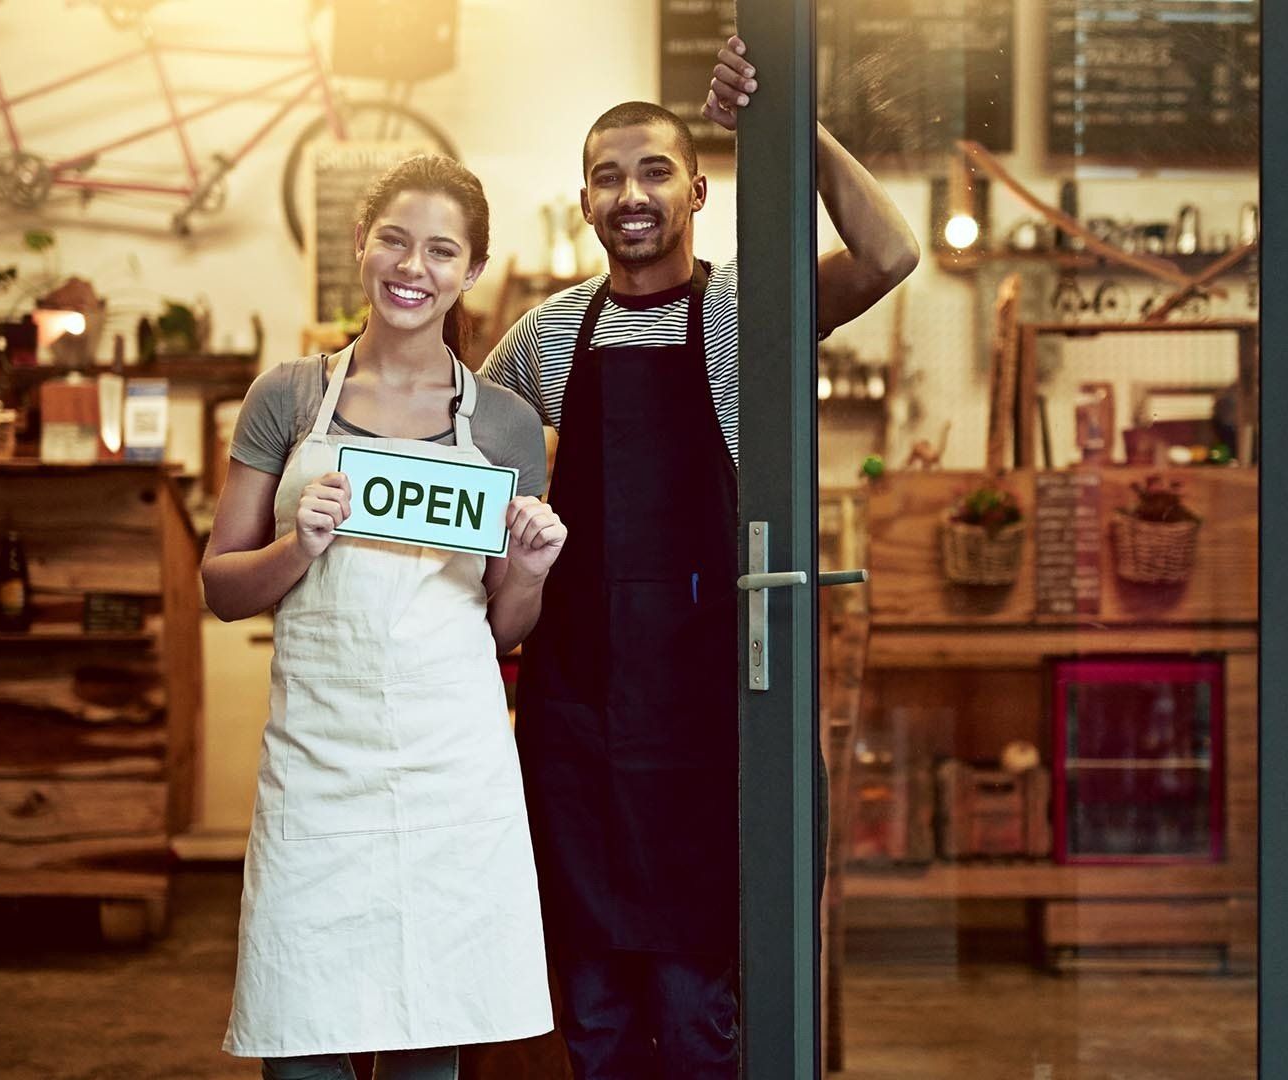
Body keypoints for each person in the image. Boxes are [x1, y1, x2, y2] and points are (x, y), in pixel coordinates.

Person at [480, 36, 920, 1080]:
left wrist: (790, 124)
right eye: (607, 176)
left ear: (699, 189)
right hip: (581, 721)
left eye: (655, 171)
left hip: (715, 712)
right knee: (590, 1009)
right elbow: (458, 436)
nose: (631, 195)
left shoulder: (744, 310)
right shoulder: (546, 339)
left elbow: (892, 254)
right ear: (583, 203)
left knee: (695, 1011)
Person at [205, 154, 567, 1080]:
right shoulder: (286, 398)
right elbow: (219, 587)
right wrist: (299, 547)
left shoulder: (506, 426)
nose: (414, 267)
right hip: (317, 767)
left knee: (427, 1046)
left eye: (442, 250)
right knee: (300, 1044)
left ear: (471, 270)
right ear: (362, 246)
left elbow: (503, 628)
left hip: (449, 768)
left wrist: (527, 569)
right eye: (396, 241)